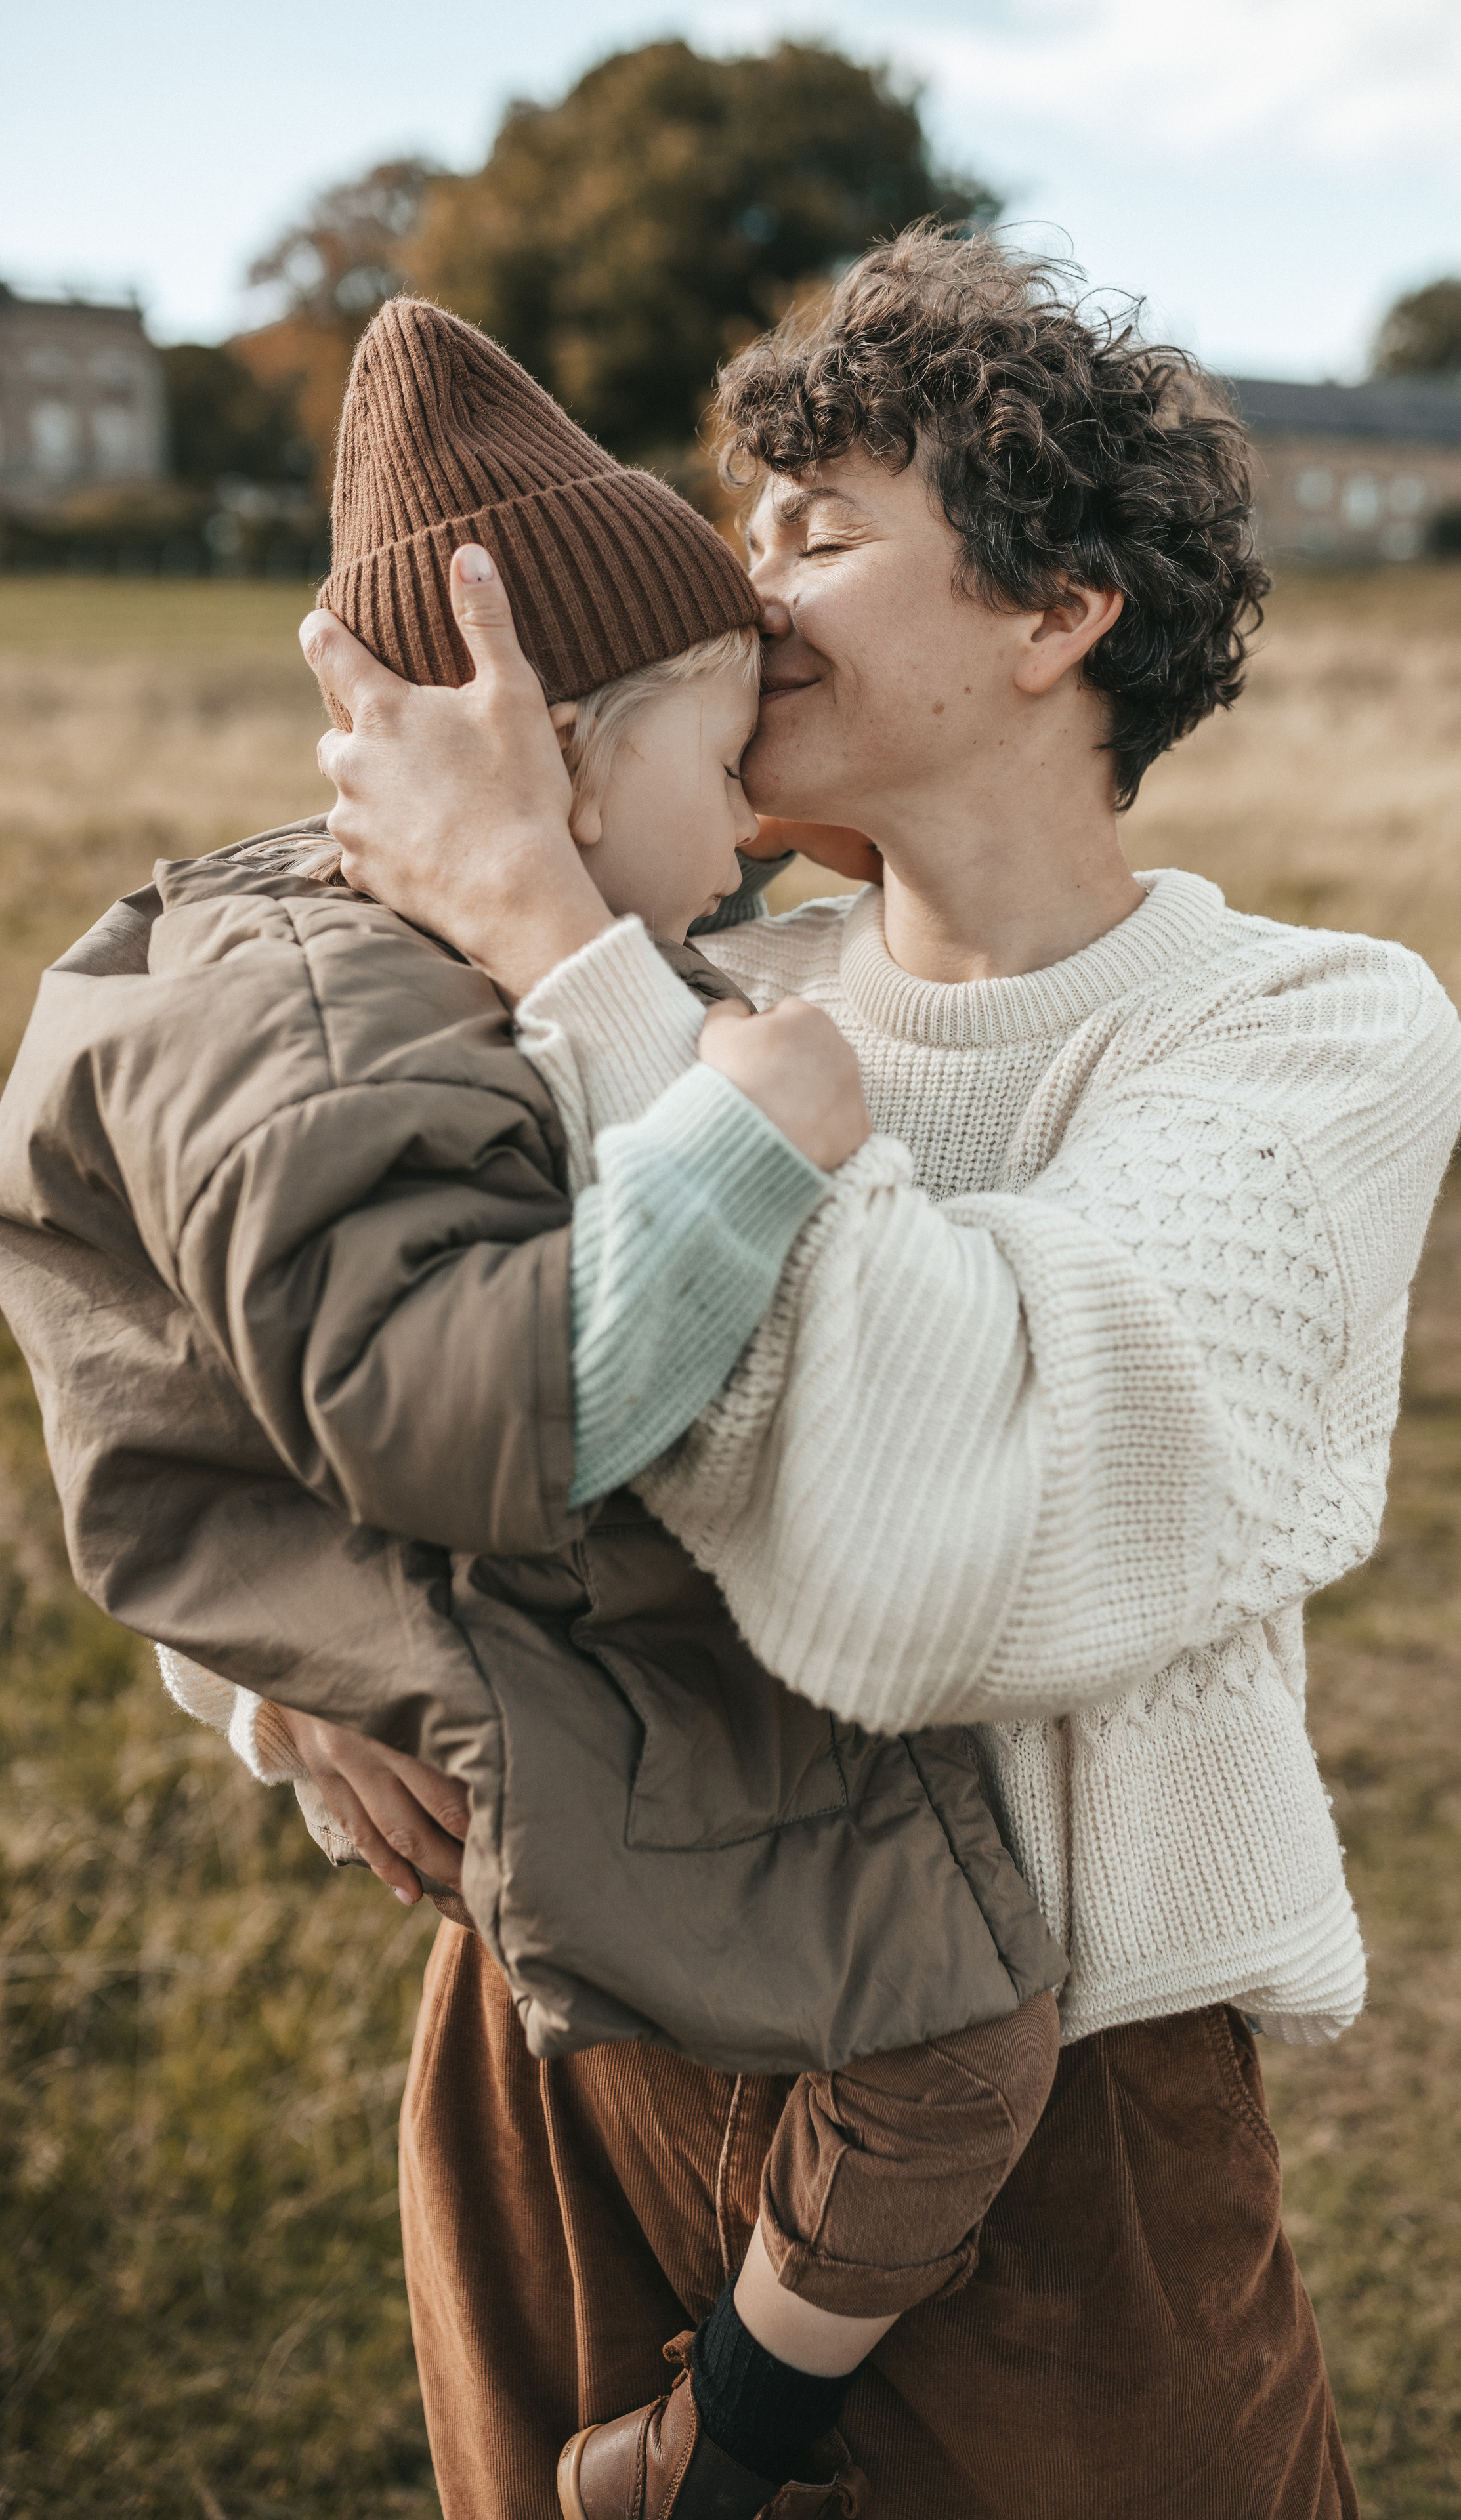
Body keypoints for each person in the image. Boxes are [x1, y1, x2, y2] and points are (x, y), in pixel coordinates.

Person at [302, 226, 1461, 2518]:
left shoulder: (1309, 1036)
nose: (748, 598)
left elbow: (954, 1546)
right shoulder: (679, 965)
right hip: (568, 2047)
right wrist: (291, 1663)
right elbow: (307, 1328)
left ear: (1058, 616)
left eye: (822, 534)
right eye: (742, 534)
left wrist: (553, 941)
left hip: (1063, 2134)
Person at [0, 298, 1068, 2520]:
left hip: (629, 1726)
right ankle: (710, 2456)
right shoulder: (344, 994)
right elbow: (423, 1393)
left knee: (958, 2041)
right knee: (961, 2050)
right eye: (715, 756)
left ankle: (705, 2447)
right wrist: (744, 1136)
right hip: (604, 1759)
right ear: (555, 761)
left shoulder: (435, 960)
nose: (755, 836)